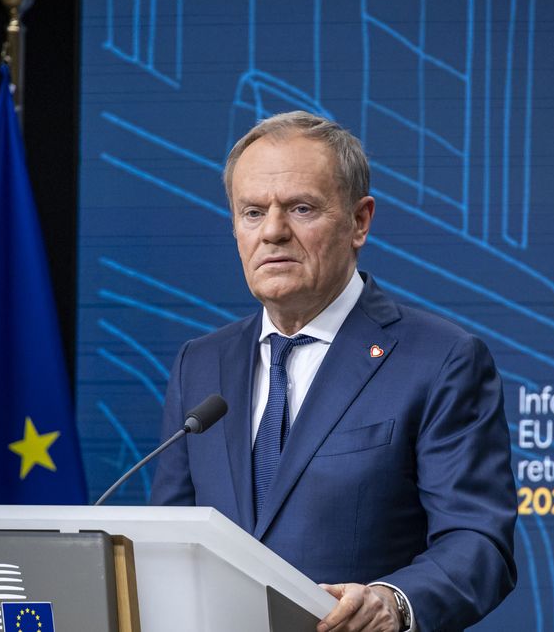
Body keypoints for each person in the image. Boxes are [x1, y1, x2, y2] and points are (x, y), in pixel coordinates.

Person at [150, 111, 516, 631]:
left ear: (359, 221)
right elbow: (170, 541)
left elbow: (478, 542)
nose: (273, 231)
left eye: (301, 208)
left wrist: (393, 601)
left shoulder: (441, 359)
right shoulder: (200, 364)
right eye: (252, 212)